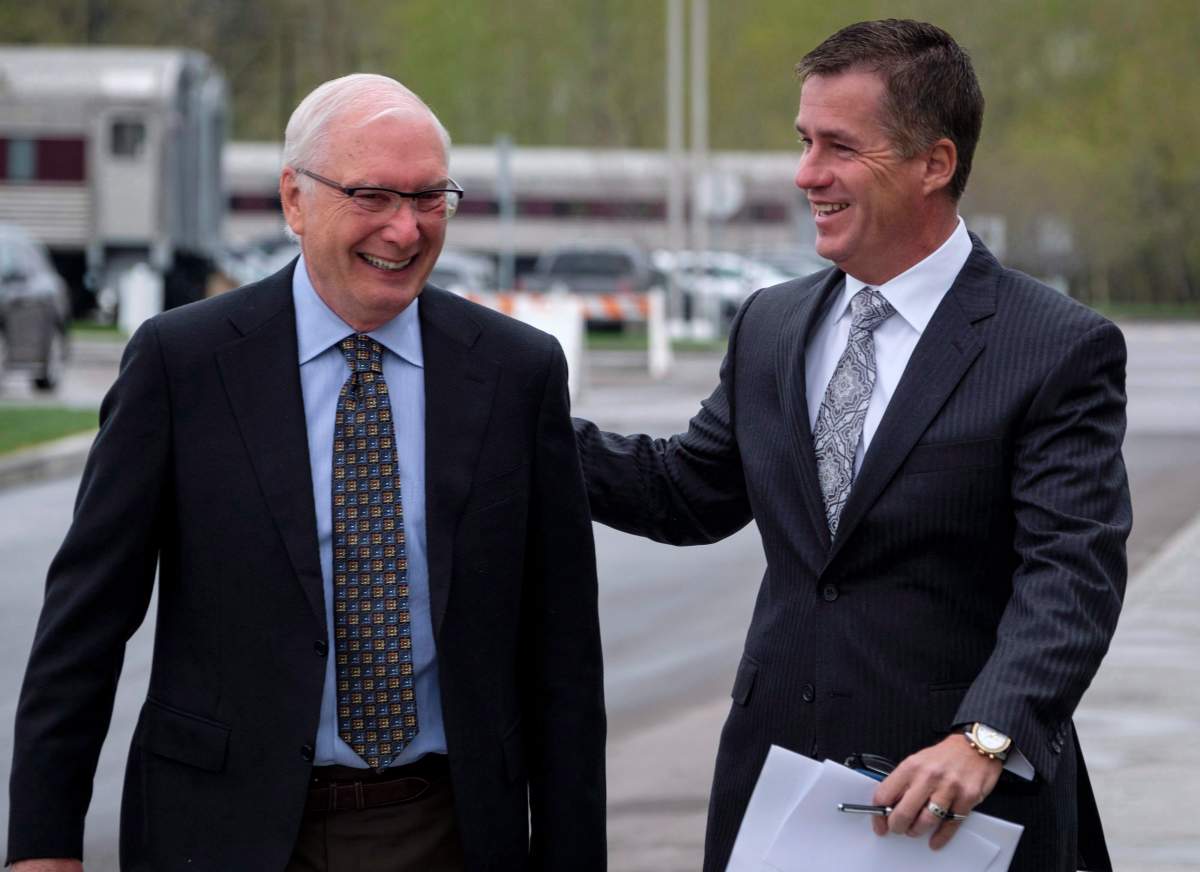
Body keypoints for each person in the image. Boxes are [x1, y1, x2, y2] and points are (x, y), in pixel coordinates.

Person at [7, 74, 606, 872]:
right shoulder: (182, 364)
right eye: (373, 195)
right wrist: (42, 847)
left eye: (430, 198)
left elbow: (562, 655)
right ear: (295, 199)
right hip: (220, 834)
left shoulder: (514, 372)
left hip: (447, 832)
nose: (405, 228)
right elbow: (83, 625)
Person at [574, 19, 1128, 872]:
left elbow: (1071, 571)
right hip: (775, 792)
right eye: (804, 142)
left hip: (960, 809)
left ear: (934, 164)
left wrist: (984, 738)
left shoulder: (1054, 345)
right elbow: (687, 492)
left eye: (838, 146)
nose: (806, 175)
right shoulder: (772, 322)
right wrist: (523, 424)